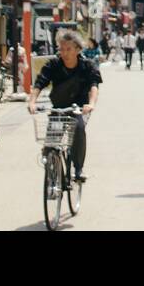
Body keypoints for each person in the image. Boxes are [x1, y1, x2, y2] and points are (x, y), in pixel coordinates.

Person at [28, 30, 101, 182]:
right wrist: (32, 101)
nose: (64, 53)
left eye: (68, 49)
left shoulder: (87, 65)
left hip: (77, 108)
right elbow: (40, 82)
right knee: (51, 143)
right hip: (59, 108)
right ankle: (52, 168)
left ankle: (78, 169)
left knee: (79, 129)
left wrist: (91, 104)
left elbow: (94, 85)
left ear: (78, 49)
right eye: (61, 49)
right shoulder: (54, 64)